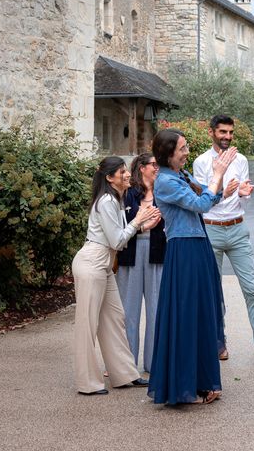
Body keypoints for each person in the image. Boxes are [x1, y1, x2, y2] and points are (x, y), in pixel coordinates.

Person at [147, 128, 236, 405]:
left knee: (201, 312)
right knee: (187, 315)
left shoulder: (180, 176)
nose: (186, 152)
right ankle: (186, 384)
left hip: (197, 246)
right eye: (182, 148)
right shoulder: (165, 182)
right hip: (184, 250)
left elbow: (207, 197)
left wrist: (226, 188)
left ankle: (200, 380)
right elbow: (200, 205)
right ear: (168, 153)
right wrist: (218, 175)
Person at [193, 115, 254, 363]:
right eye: (222, 132)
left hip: (238, 228)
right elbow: (202, 201)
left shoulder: (241, 160)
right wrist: (223, 188)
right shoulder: (201, 162)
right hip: (211, 229)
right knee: (213, 290)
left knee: (251, 287)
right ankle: (218, 343)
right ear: (211, 133)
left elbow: (243, 194)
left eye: (230, 132)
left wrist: (244, 192)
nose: (227, 137)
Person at [72, 156, 160, 395]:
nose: (127, 174)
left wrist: (141, 226)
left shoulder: (116, 199)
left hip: (103, 263)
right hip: (92, 263)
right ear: (110, 178)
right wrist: (139, 220)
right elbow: (118, 240)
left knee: (115, 318)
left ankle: (125, 374)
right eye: (122, 172)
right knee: (88, 325)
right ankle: (87, 383)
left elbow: (119, 234)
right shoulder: (107, 201)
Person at [116, 153, 165, 374]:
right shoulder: (128, 195)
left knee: (156, 309)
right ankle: (126, 363)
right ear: (142, 168)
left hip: (158, 253)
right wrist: (144, 224)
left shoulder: (164, 193)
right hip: (131, 253)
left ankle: (155, 363)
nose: (157, 168)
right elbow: (120, 225)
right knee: (129, 310)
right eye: (154, 165)